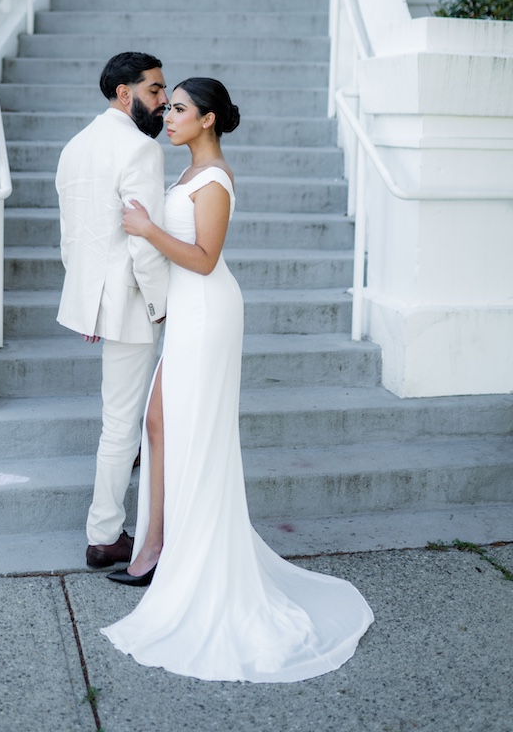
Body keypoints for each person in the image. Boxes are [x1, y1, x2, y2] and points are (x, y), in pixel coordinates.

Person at [101, 77, 374, 683]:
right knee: (158, 423)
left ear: (209, 119)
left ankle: (170, 555)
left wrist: (147, 230)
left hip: (209, 310)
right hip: (188, 311)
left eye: (179, 109)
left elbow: (205, 259)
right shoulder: (189, 172)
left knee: (187, 429)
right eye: (167, 106)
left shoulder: (216, 179)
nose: (167, 116)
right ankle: (156, 546)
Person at [55, 52, 169, 570]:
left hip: (104, 300)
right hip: (132, 302)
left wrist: (90, 306)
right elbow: (143, 242)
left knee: (122, 418)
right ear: (125, 94)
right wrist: (161, 307)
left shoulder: (75, 146)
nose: (163, 100)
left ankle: (129, 492)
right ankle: (104, 536)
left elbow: (73, 236)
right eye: (155, 90)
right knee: (121, 423)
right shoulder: (141, 148)